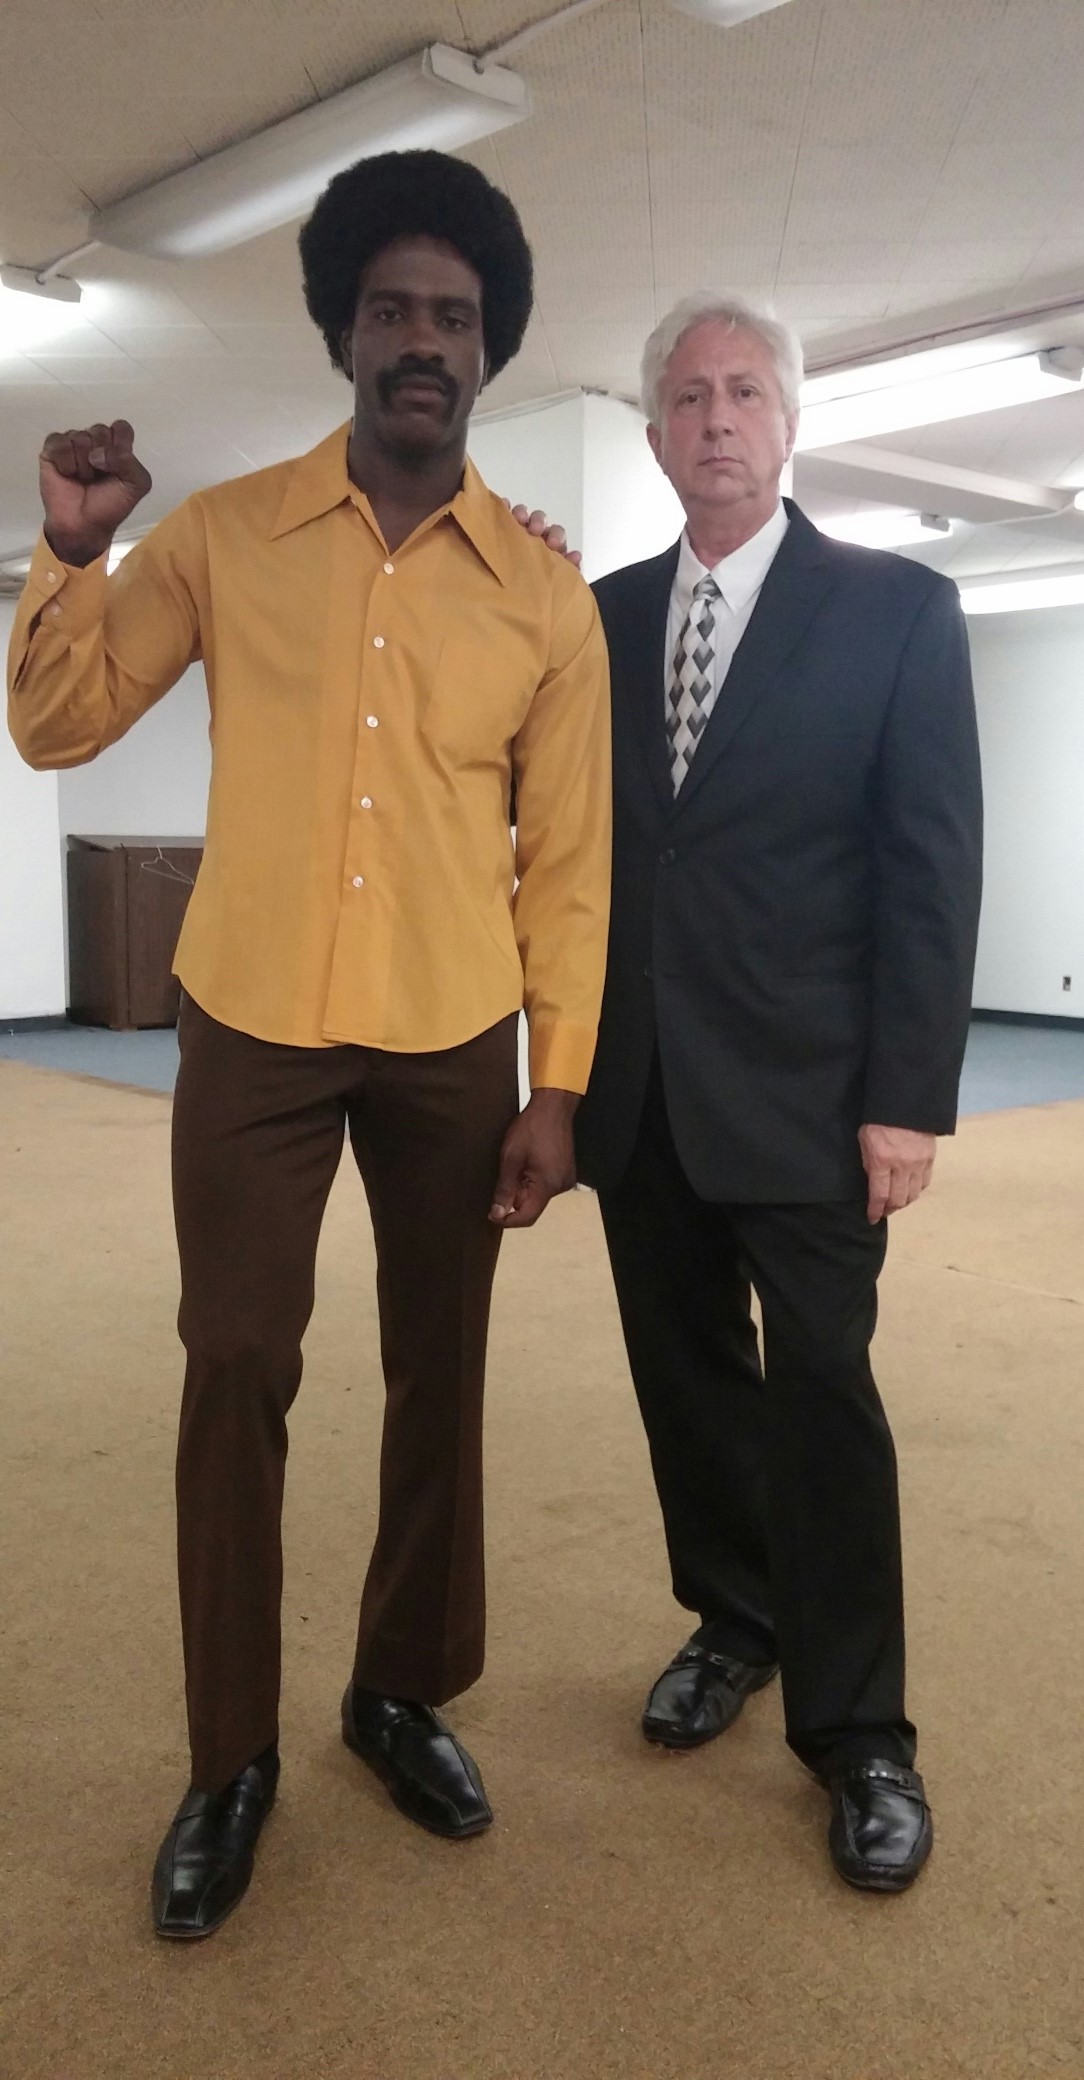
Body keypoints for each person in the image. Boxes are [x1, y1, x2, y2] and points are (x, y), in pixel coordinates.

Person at [6, 149, 611, 1940]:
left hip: (450, 1034)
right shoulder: (218, 533)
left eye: (453, 317)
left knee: (441, 1369)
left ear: (486, 351)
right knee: (238, 1357)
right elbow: (59, 725)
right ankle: (228, 1756)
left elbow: (570, 862)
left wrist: (556, 1084)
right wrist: (68, 546)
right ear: (343, 333)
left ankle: (398, 1691)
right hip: (253, 1020)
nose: (422, 341)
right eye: (392, 312)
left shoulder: (540, 596)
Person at [569, 292, 981, 1892]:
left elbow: (927, 866)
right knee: (684, 1383)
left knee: (821, 1402)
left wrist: (907, 1097)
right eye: (685, 396)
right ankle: (729, 1619)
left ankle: (859, 1729)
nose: (716, 419)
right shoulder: (594, 619)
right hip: (641, 1093)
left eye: (744, 392)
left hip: (814, 1102)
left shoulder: (895, 607)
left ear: (789, 420)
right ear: (658, 431)